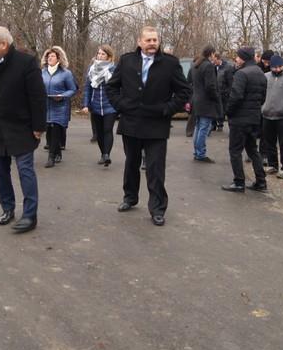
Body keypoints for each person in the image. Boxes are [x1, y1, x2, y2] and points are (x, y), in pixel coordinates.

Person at [105, 26, 191, 226]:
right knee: (131, 163)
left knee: (155, 168)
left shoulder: (170, 63)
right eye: (148, 40)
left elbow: (184, 91)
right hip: (131, 122)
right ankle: (130, 197)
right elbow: (112, 87)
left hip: (156, 124)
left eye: (155, 40)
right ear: (139, 42)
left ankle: (158, 208)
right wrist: (121, 106)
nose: (152, 43)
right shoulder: (127, 61)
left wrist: (167, 109)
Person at [0, 26, 46, 233]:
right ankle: (7, 208)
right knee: (0, 172)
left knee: (25, 171)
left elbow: (37, 96)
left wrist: (39, 126)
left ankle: (30, 216)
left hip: (21, 128)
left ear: (3, 44)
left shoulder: (26, 63)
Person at [221, 47, 267, 193]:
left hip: (240, 119)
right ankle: (261, 181)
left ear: (244, 58)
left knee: (235, 151)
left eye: (238, 57)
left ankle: (239, 182)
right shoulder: (261, 73)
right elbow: (263, 97)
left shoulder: (241, 73)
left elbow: (236, 96)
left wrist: (228, 112)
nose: (236, 59)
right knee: (253, 150)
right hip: (254, 118)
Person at [40, 46, 77, 168]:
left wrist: (62, 95)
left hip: (60, 106)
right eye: (48, 56)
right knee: (49, 133)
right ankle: (57, 152)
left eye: (52, 56)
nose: (50, 58)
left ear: (58, 59)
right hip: (46, 105)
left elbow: (72, 89)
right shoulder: (42, 72)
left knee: (56, 129)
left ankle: (51, 157)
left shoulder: (66, 73)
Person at [81, 45, 117, 166]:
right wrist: (86, 104)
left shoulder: (114, 69)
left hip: (110, 106)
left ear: (109, 56)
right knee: (100, 132)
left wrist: (119, 102)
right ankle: (103, 154)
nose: (100, 56)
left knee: (107, 130)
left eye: (103, 54)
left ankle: (107, 154)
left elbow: (119, 88)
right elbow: (87, 88)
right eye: (99, 54)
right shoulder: (92, 69)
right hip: (95, 105)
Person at [190, 44, 220, 163]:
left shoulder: (195, 65)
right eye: (214, 54)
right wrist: (216, 97)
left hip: (197, 100)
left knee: (198, 127)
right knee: (203, 128)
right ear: (211, 53)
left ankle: (197, 152)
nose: (214, 56)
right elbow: (210, 86)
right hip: (206, 101)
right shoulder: (208, 66)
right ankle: (201, 154)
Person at [214, 52, 234, 131]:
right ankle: (215, 124)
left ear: (219, 59)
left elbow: (230, 82)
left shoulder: (227, 68)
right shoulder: (213, 67)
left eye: (214, 60)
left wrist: (227, 92)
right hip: (216, 92)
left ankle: (223, 125)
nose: (213, 62)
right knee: (216, 109)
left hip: (224, 93)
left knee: (225, 109)